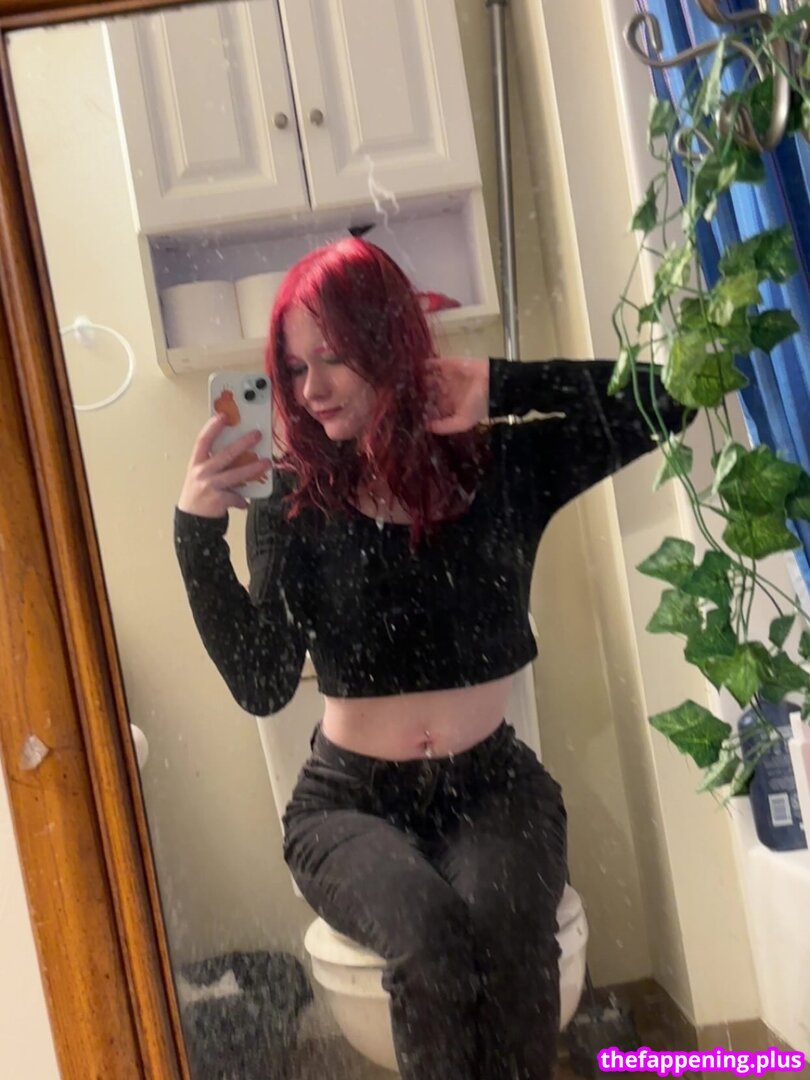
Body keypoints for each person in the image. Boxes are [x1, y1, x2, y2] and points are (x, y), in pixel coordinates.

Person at [175, 238, 693, 1080]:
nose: (310, 390)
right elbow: (264, 683)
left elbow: (672, 398)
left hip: (493, 786)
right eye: (295, 368)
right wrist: (197, 534)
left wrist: (499, 383)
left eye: (333, 357)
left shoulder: (498, 469)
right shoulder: (297, 501)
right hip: (348, 805)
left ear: (389, 343)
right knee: (428, 938)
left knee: (510, 933)